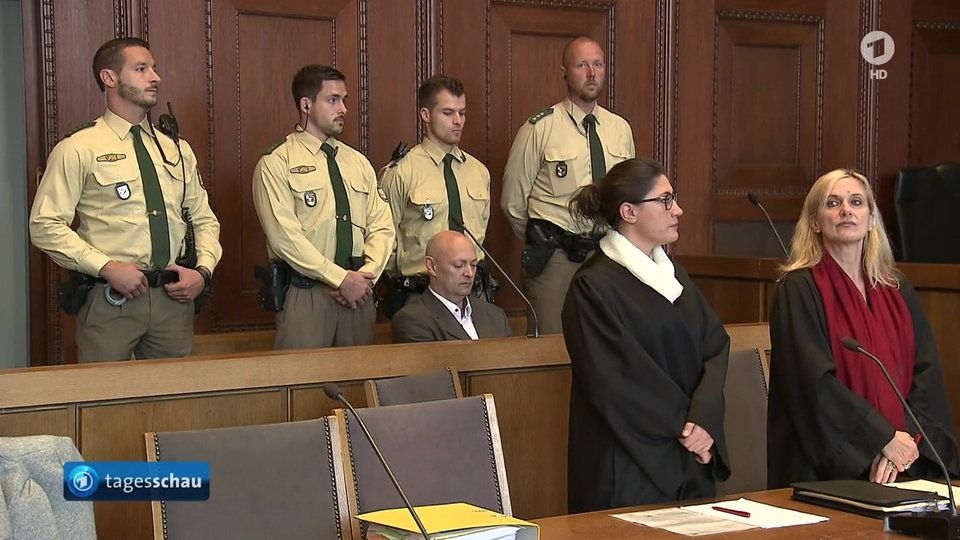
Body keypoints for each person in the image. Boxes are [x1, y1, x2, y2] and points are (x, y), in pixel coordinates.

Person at [29, 37, 222, 362]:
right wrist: (107, 267)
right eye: (141, 69)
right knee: (105, 393)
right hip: (111, 298)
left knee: (173, 392)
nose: (155, 77)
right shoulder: (79, 148)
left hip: (173, 298)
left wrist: (203, 272)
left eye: (154, 68)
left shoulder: (176, 148)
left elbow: (204, 218)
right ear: (109, 77)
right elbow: (44, 225)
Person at [767, 169, 959, 487]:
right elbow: (813, 384)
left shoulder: (896, 287)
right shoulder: (798, 288)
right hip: (832, 467)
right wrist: (881, 439)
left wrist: (905, 443)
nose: (846, 210)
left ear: (871, 219)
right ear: (815, 222)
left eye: (856, 202)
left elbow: (925, 377)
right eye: (833, 203)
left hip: (906, 458)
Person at [561, 158, 730, 511]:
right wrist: (688, 431)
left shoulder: (674, 275)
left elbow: (715, 345)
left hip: (690, 452)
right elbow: (618, 382)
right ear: (629, 212)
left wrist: (704, 419)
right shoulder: (593, 287)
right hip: (627, 466)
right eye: (665, 200)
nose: (678, 210)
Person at [252, 64, 394, 349]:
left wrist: (366, 277)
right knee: (305, 376)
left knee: (360, 374)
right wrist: (340, 279)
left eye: (344, 100)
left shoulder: (358, 162)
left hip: (359, 294)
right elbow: (284, 238)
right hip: (309, 294)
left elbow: (382, 226)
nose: (343, 109)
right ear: (306, 105)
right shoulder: (277, 162)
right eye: (333, 100)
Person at [501, 36, 635, 333]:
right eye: (582, 65)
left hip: (609, 254)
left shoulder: (620, 129)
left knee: (607, 339)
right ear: (564, 72)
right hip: (557, 257)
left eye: (598, 64)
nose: (592, 73)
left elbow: (628, 193)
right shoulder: (540, 128)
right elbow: (513, 200)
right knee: (553, 344)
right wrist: (544, 236)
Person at [379, 76, 492, 312]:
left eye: (462, 113)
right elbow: (384, 236)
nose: (458, 121)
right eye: (448, 113)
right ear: (426, 115)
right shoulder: (403, 171)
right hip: (421, 294)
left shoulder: (478, 172)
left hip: (474, 294)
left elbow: (480, 232)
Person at [392, 231, 511, 343]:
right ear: (432, 266)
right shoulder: (412, 319)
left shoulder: (496, 315)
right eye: (459, 265)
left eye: (473, 265)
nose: (469, 273)